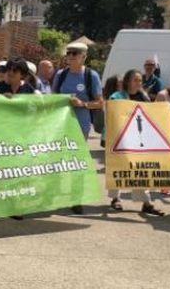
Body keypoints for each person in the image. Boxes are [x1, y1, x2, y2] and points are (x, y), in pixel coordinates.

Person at [52, 42, 103, 214]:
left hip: (80, 124)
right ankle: (54, 193)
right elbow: (52, 98)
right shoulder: (60, 74)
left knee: (76, 161)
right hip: (60, 123)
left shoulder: (91, 75)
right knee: (57, 160)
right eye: (69, 53)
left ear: (84, 57)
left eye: (75, 53)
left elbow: (99, 103)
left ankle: (76, 198)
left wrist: (82, 104)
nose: (71, 56)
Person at [106, 69, 164, 216]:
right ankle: (115, 199)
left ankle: (146, 203)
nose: (139, 83)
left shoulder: (143, 97)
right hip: (120, 139)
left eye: (140, 80)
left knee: (140, 171)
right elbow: (111, 114)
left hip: (138, 140)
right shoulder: (116, 96)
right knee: (119, 168)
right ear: (127, 81)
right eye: (135, 80)